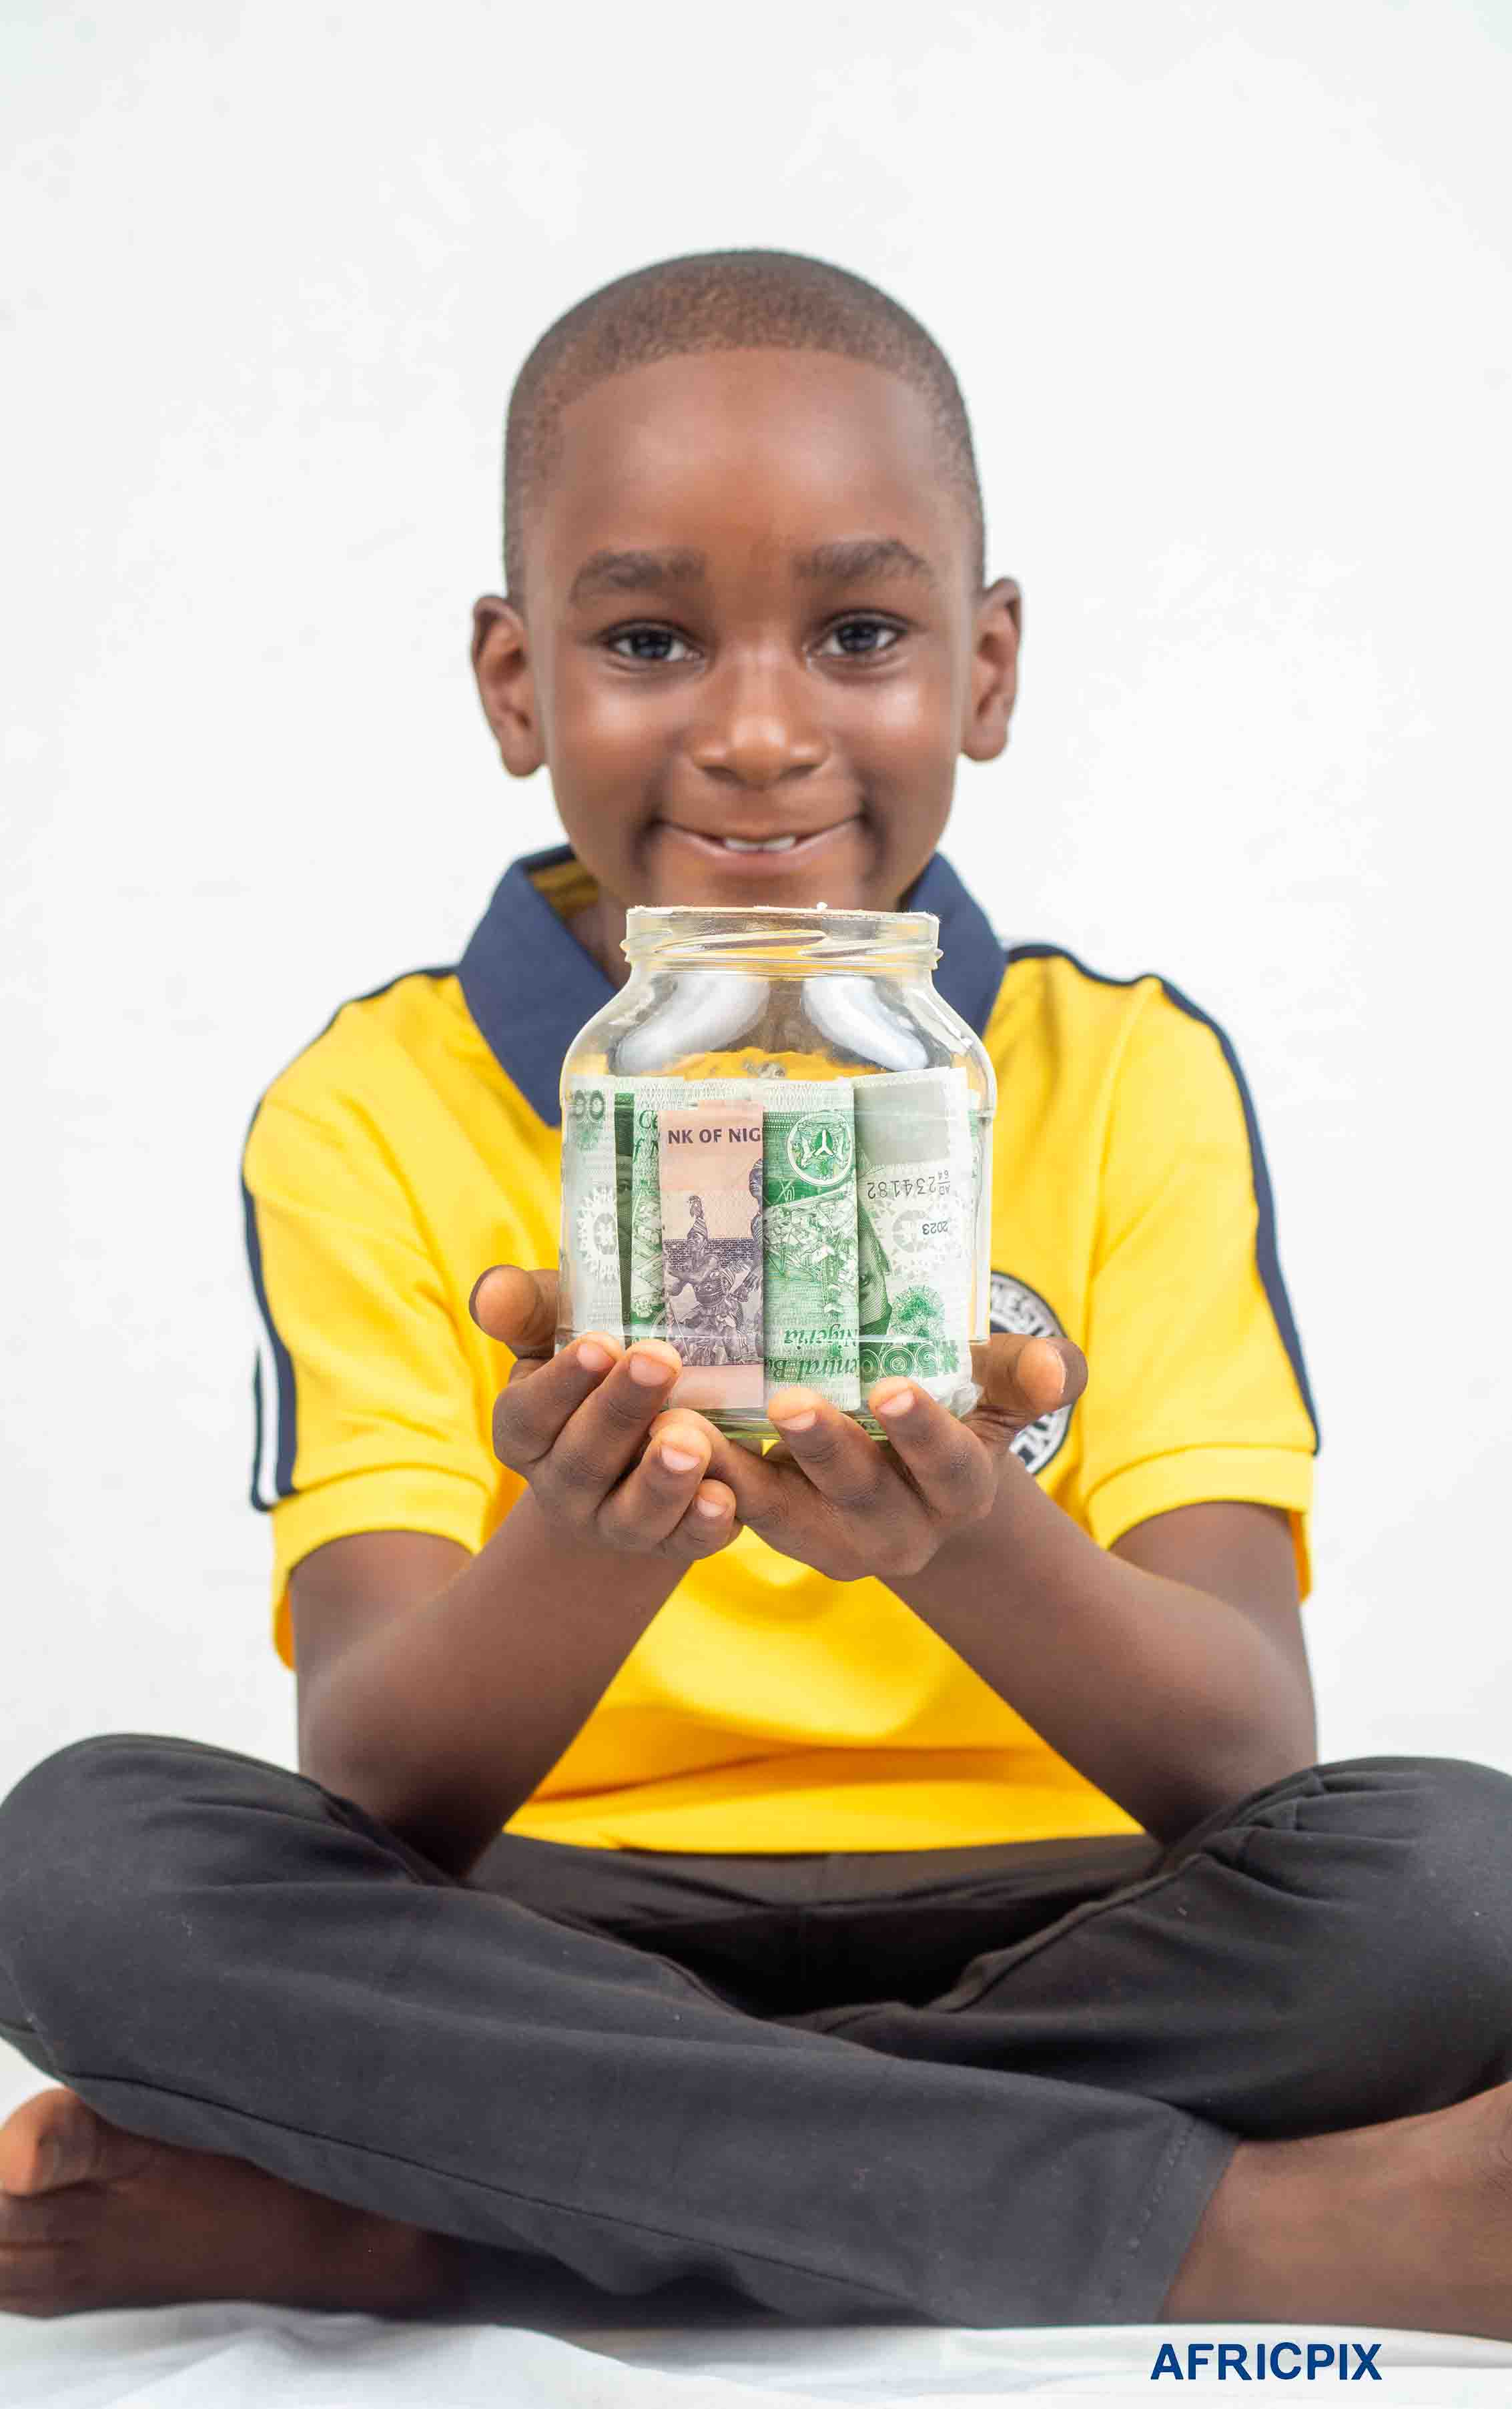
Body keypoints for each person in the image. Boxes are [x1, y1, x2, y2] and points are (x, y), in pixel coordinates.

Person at [2, 248, 1511, 2337]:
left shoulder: (1120, 1071)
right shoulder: (370, 1104)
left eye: (861, 632)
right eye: (644, 639)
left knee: (1455, 1886)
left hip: (1062, 1913)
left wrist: (968, 1535)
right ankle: (1258, 2229)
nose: (757, 732)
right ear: (515, 682)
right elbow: (376, 1789)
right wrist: (593, 1539)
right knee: (88, 1866)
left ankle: (438, 2219)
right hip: (552, 1931)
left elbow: (1247, 1759)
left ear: (984, 670)